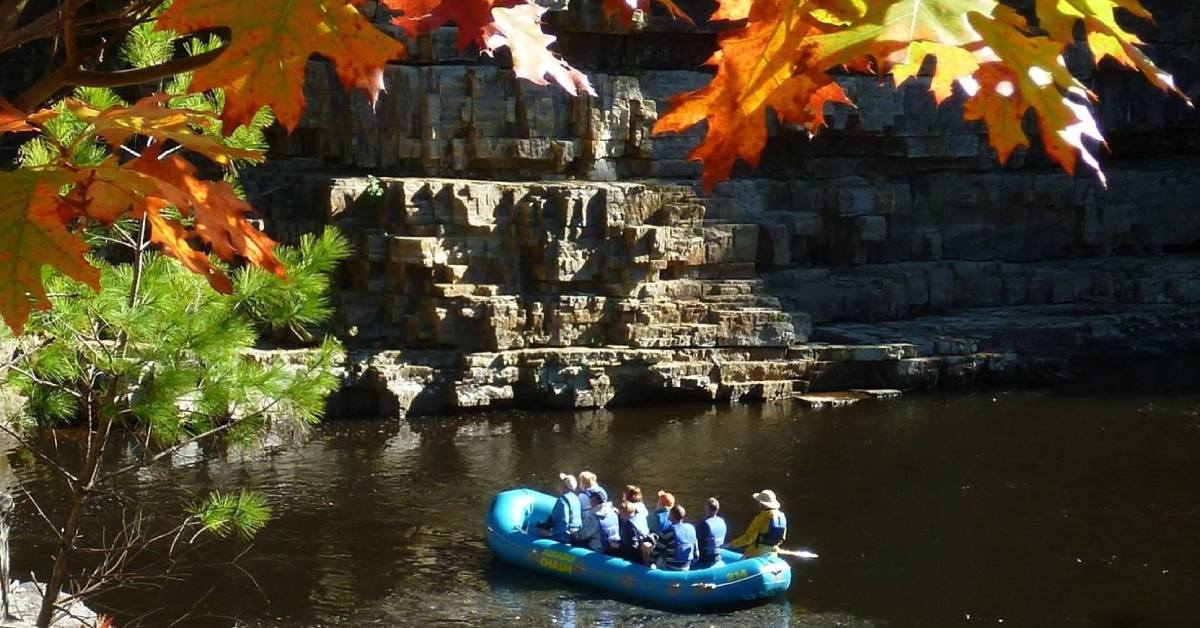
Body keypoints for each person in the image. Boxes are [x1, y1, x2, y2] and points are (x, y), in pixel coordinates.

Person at [725, 489, 787, 558]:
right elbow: (781, 539)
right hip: (772, 554)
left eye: (758, 502)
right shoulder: (782, 517)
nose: (758, 504)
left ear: (763, 504)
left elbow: (748, 538)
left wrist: (730, 544)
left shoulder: (761, 519)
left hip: (756, 553)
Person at [536, 473, 583, 543]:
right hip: (575, 536)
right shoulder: (575, 498)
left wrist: (550, 533)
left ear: (564, 486)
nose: (559, 485)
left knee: (539, 536)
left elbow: (564, 523)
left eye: (561, 483)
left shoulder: (562, 501)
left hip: (564, 537)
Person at [652, 504, 698, 571]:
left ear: (672, 516)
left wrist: (650, 561)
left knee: (659, 555)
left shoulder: (668, 532)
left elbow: (657, 550)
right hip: (686, 566)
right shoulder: (691, 529)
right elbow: (696, 554)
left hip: (670, 567)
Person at [616, 500, 654, 565]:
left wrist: (618, 545)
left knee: (610, 551)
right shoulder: (641, 517)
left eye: (621, 514)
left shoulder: (628, 526)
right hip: (644, 549)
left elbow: (632, 546)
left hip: (636, 556)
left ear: (625, 513)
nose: (620, 517)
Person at [695, 497, 727, 569]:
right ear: (717, 509)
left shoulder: (704, 524)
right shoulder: (722, 521)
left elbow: (696, 541)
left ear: (707, 509)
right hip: (718, 556)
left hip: (706, 559)